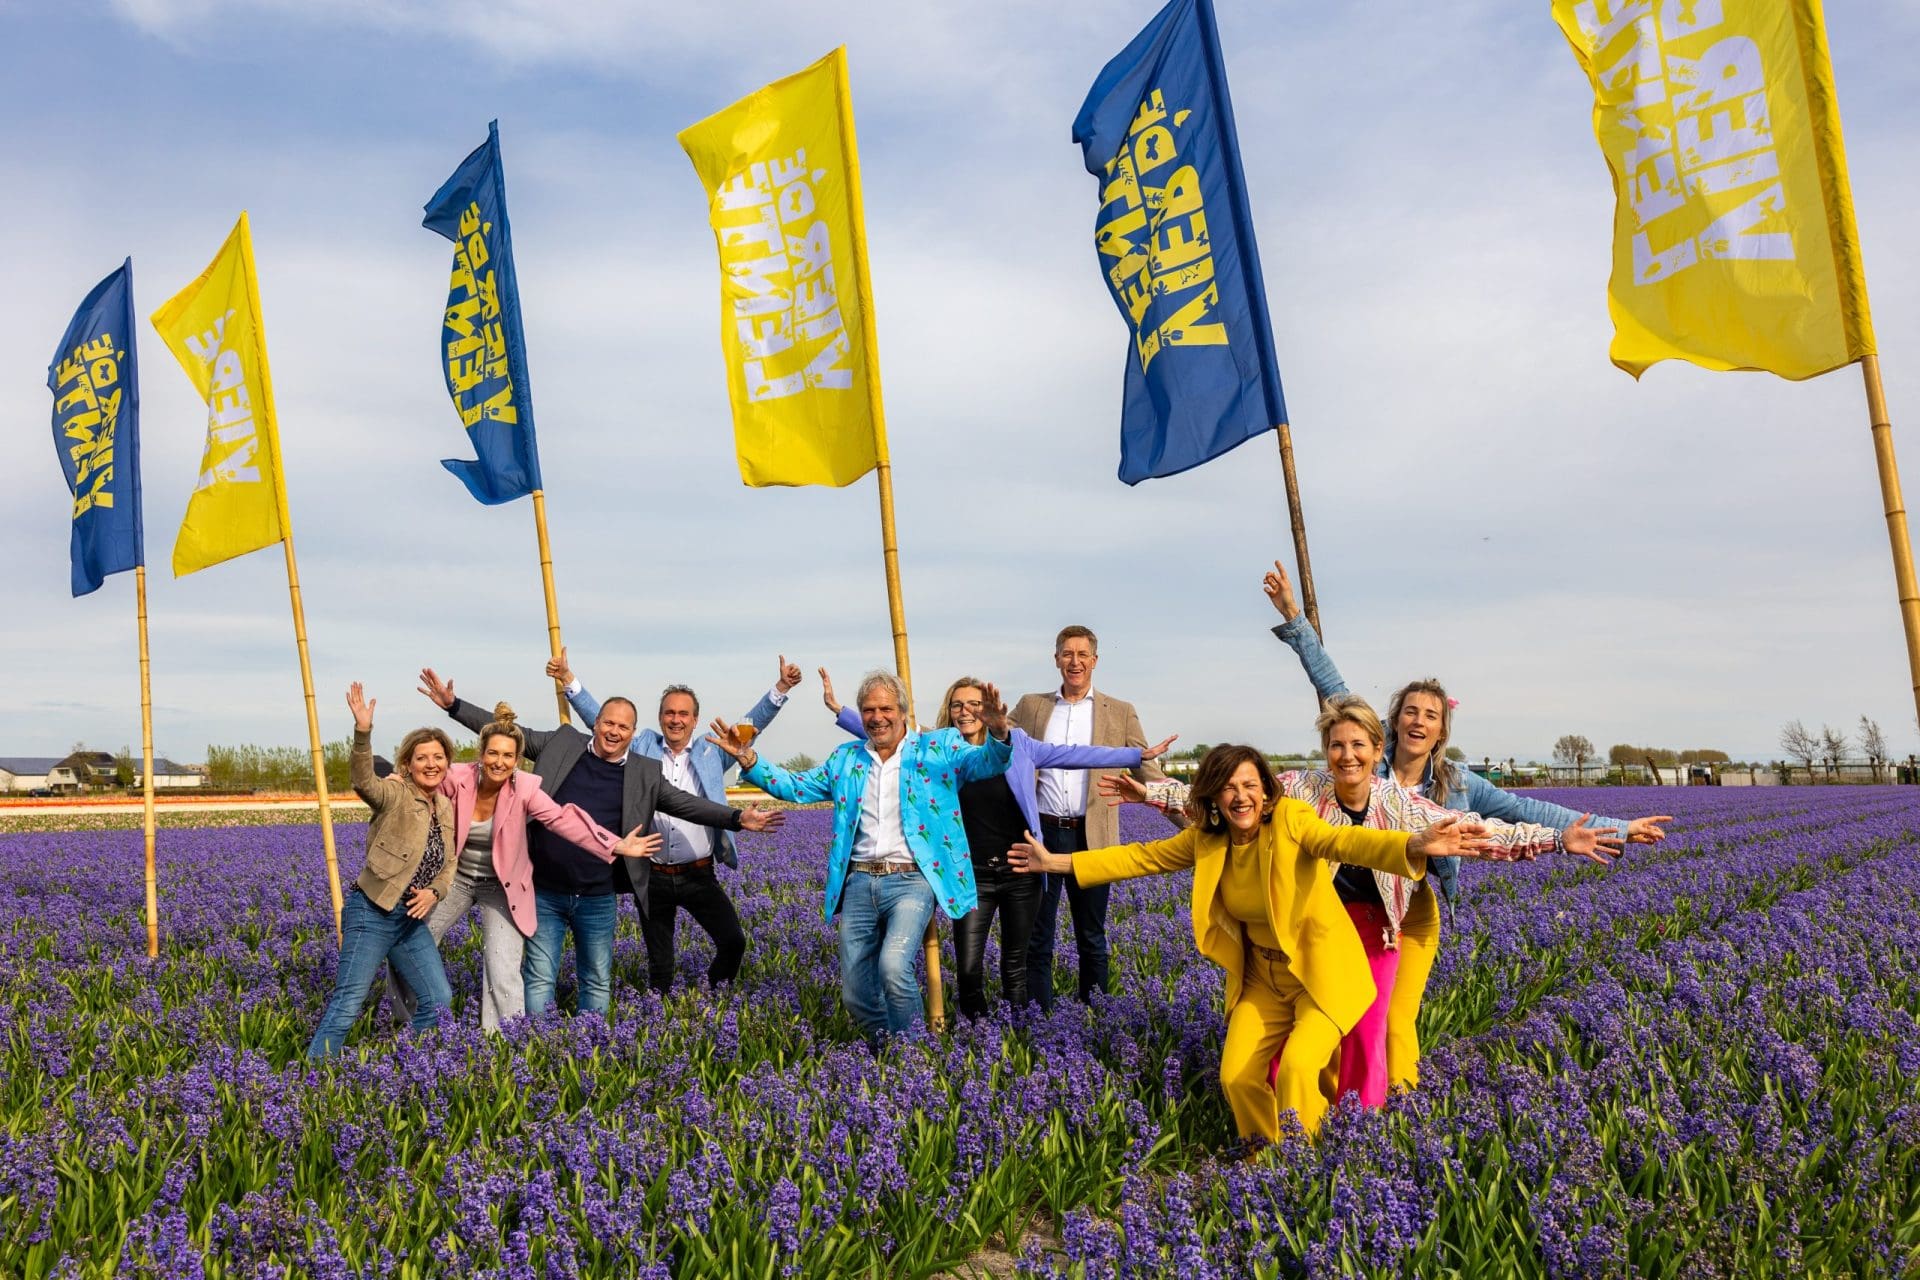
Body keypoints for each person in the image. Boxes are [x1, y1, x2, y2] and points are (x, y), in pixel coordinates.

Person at [1262, 558, 1672, 1087]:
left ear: (1441, 731)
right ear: (1392, 723)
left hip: (1409, 911)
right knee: (1342, 1019)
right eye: (1410, 712)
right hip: (1344, 906)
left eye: (1430, 716)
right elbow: (1332, 685)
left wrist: (1618, 828)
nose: (1419, 720)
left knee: (1392, 1023)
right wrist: (1294, 619)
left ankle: (1394, 1112)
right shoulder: (1363, 758)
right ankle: (1327, 1110)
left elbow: (1529, 814)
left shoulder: (1458, 784)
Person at [1104, 697, 1602, 1110]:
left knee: (1365, 1030)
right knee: (1298, 1038)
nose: (1347, 755)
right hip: (1316, 929)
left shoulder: (1400, 805)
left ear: (1377, 750)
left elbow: (1480, 830)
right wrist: (1153, 794)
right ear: (1325, 752)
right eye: (1337, 745)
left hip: (1379, 927)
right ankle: (1298, 1126)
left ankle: (1362, 1129)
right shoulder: (1300, 790)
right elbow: (1233, 794)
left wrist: (1558, 840)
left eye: (1358, 745)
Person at [1011, 744, 1510, 1141]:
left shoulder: (1291, 820)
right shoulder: (1207, 839)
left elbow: (1346, 842)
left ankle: (1307, 1161)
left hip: (1320, 976)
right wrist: (1054, 862)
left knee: (1296, 1069)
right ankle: (1268, 1157)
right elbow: (1140, 857)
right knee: (1237, 1077)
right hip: (1263, 980)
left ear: (1266, 791)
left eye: (1250, 785)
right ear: (1212, 797)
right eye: (1228, 787)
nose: (1240, 797)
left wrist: (1413, 844)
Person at [417, 667, 783, 1017]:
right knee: (540, 976)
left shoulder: (644, 771)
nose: (614, 731)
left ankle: (591, 1043)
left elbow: (686, 803)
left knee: (596, 979)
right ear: (595, 723)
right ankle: (535, 1041)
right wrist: (454, 706)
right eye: (608, 723)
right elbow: (509, 736)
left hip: (598, 893)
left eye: (623, 727)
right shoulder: (563, 742)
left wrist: (737, 818)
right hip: (545, 888)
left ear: (633, 732)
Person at [822, 669, 1176, 1017]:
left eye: (974, 704)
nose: (965, 711)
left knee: (1015, 966)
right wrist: (842, 711)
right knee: (968, 970)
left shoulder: (1017, 744)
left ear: (988, 709)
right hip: (971, 874)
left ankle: (1020, 1034)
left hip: (1019, 868)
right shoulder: (937, 749)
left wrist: (1134, 757)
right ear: (949, 710)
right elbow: (889, 733)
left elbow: (1074, 754)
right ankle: (977, 1035)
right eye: (957, 705)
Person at [708, 671, 1012, 1041]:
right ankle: (888, 1046)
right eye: (869, 710)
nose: (876, 717)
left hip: (912, 880)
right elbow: (796, 786)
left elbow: (987, 763)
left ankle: (913, 1054)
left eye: (885, 709)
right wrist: (748, 757)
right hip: (859, 880)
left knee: (894, 966)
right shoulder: (846, 758)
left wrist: (999, 733)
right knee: (855, 992)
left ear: (902, 711)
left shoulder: (936, 748)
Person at [390, 703, 663, 1031]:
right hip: (455, 878)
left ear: (517, 760)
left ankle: (502, 1039)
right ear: (481, 754)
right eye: (493, 753)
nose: (499, 762)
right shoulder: (458, 778)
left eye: (508, 756)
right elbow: (421, 789)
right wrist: (398, 785)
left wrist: (616, 845)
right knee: (411, 934)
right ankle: (407, 1023)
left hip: (501, 885)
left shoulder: (525, 787)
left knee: (503, 965)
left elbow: (563, 818)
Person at [548, 647, 801, 993]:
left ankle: (715, 993)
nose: (676, 720)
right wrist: (568, 679)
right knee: (660, 965)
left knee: (733, 941)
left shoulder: (713, 751)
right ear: (660, 718)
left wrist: (781, 688)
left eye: (683, 714)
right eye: (669, 713)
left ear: (695, 720)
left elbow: (750, 725)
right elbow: (602, 719)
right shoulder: (641, 748)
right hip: (652, 875)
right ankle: (663, 1012)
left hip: (698, 873)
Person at [1012, 625, 1168, 1009]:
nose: (1075, 661)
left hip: (1093, 834)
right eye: (1067, 654)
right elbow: (993, 741)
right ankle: (1039, 1020)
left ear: (1095, 661)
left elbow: (1149, 772)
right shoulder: (1031, 706)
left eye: (1083, 655)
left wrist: (1188, 812)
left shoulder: (1121, 711)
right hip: (1043, 833)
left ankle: (1096, 1020)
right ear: (1056, 659)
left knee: (1092, 936)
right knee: (1037, 936)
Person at [308, 684, 458, 1059]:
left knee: (438, 1000)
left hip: (409, 920)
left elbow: (449, 862)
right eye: (422, 758)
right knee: (348, 1003)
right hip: (373, 913)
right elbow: (363, 781)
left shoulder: (445, 806)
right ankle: (311, 1080)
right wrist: (363, 732)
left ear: (447, 763)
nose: (431, 764)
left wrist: (435, 892)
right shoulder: (395, 794)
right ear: (407, 764)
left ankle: (398, 1064)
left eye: (438, 757)